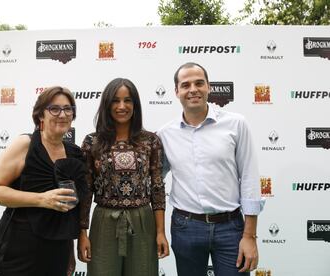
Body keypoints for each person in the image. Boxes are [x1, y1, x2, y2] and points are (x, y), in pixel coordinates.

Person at [157, 62, 264, 276]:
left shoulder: (236, 124)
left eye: (199, 83)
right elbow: (154, 180)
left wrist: (249, 236)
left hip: (231, 228)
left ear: (209, 87)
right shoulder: (164, 134)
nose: (193, 89)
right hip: (185, 227)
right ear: (177, 91)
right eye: (185, 85)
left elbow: (250, 179)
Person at [0, 86, 87, 276]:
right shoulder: (25, 145)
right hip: (19, 247)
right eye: (54, 109)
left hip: (58, 250)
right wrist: (41, 199)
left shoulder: (75, 153)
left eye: (68, 109)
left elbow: (71, 210)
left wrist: (70, 248)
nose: (62, 114)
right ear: (40, 115)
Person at [78, 78, 169, 276]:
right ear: (106, 104)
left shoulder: (150, 141)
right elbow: (85, 191)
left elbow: (157, 188)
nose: (122, 106)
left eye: (128, 100)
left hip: (143, 221)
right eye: (115, 101)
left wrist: (161, 232)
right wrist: (82, 233)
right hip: (104, 221)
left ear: (135, 105)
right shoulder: (92, 141)